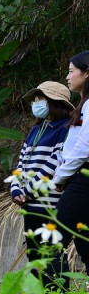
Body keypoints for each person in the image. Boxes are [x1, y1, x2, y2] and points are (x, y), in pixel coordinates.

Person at [10, 82, 72, 289]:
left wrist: (27, 191)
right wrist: (16, 189)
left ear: (54, 102)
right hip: (29, 203)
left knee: (52, 253)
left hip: (49, 202)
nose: (36, 103)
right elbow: (22, 161)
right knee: (35, 253)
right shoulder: (36, 129)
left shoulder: (66, 128)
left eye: (41, 98)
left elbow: (55, 163)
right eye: (35, 99)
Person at [54, 53, 89, 274]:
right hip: (79, 176)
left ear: (87, 73)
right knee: (85, 240)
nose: (67, 77)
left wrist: (61, 176)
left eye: (71, 71)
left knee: (53, 238)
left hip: (82, 177)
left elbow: (84, 148)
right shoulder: (84, 104)